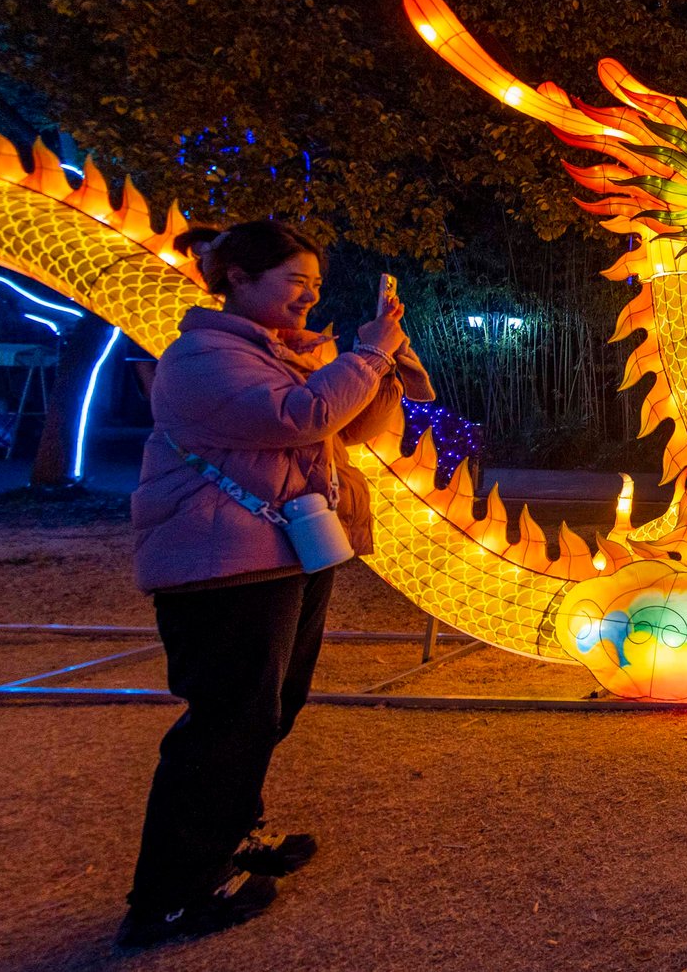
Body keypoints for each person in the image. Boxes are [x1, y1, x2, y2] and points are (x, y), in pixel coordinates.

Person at [120, 220, 433, 948]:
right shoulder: (201, 356)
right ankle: (168, 895)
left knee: (268, 709)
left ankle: (234, 831)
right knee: (225, 719)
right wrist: (361, 354)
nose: (309, 298)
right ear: (238, 278)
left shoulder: (284, 354)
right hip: (220, 563)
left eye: (317, 287)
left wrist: (381, 368)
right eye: (297, 283)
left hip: (286, 550)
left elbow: (352, 428)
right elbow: (300, 417)